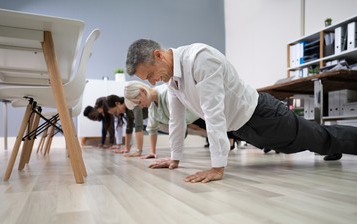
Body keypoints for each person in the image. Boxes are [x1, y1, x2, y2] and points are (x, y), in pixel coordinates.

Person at [125, 39, 357, 183]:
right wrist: (175, 157)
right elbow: (177, 120)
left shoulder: (199, 59)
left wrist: (218, 167)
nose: (153, 82)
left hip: (264, 116)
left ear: (158, 55)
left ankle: (335, 144)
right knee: (307, 142)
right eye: (148, 80)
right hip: (245, 128)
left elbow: (213, 112)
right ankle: (330, 147)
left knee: (319, 138)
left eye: (150, 75)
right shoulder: (172, 80)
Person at [124, 81, 208, 159]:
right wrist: (152, 152)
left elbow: (176, 123)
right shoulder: (152, 107)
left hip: (202, 114)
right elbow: (152, 129)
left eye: (139, 102)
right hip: (191, 120)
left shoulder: (167, 92)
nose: (141, 107)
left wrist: (174, 156)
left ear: (143, 91)